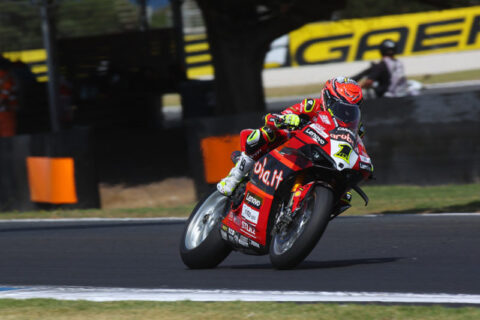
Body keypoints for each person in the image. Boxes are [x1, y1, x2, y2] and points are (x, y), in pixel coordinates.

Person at [217, 77, 365, 203]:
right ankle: (234, 177)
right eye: (339, 106)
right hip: (293, 147)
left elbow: (357, 148)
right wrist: (287, 119)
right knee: (265, 134)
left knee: (344, 198)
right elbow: (274, 118)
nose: (345, 111)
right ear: (327, 98)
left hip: (323, 157)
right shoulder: (311, 105)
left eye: (352, 108)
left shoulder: (356, 127)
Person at [352, 39, 421, 98]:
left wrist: (357, 86)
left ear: (381, 50)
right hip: (401, 94)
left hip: (387, 98)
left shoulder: (380, 66)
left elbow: (369, 82)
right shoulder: (399, 63)